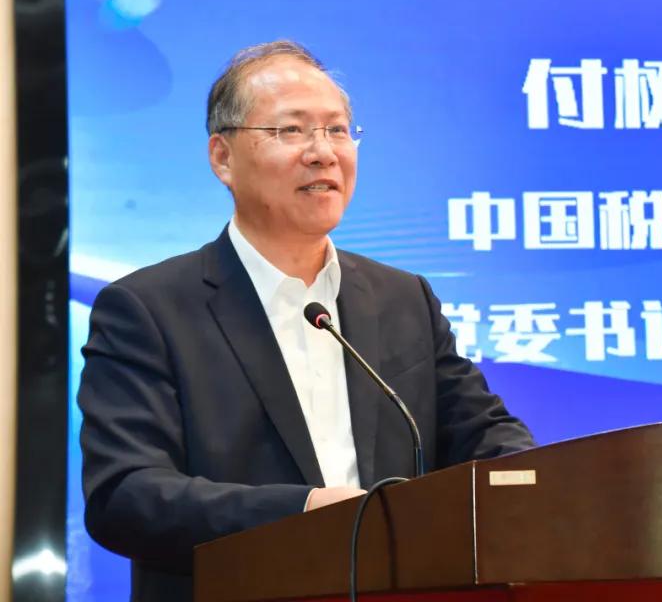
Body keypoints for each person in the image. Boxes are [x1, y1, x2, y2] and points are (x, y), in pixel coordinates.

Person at [78, 41, 535, 602]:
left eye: (337, 130)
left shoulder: (402, 298)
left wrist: (541, 482)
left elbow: (485, 433)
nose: (323, 153)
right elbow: (125, 496)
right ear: (222, 158)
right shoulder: (148, 309)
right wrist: (304, 512)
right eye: (291, 130)